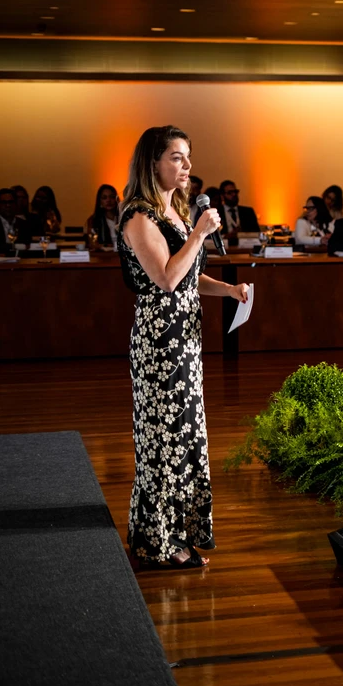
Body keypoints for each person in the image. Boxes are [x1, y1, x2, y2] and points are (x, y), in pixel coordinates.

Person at [117, 124, 249, 569]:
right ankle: (158, 543)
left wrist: (228, 291)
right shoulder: (139, 216)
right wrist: (198, 233)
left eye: (188, 156)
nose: (187, 165)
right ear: (152, 162)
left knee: (187, 437)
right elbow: (166, 278)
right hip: (160, 344)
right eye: (176, 156)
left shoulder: (176, 210)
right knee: (164, 440)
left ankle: (175, 534)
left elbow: (190, 276)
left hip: (185, 340)